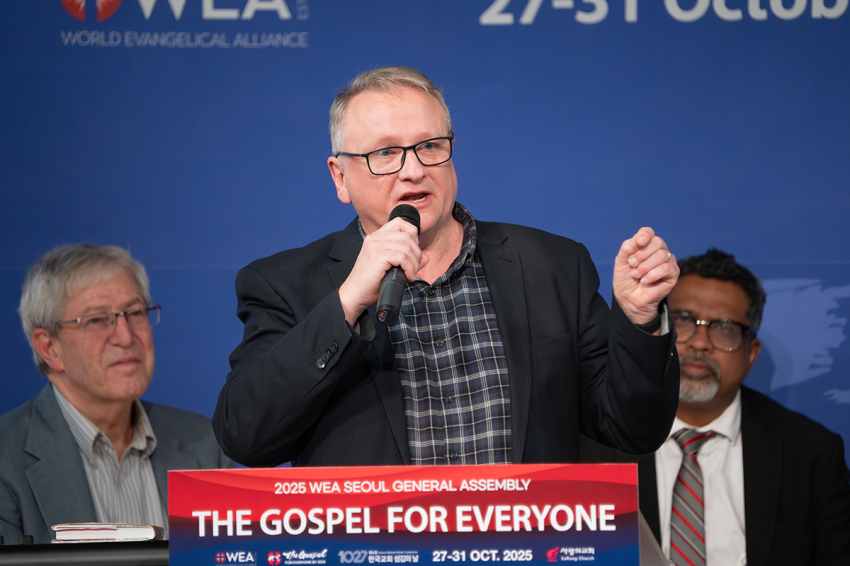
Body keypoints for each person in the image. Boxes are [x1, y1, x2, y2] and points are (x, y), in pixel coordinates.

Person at [213, 66, 681, 468]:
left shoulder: (551, 266)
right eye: (385, 154)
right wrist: (348, 301)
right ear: (340, 177)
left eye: (430, 146)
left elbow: (631, 429)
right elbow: (246, 436)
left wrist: (640, 323)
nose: (413, 170)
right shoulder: (284, 284)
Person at [581, 249, 850, 566]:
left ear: (751, 353)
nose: (700, 342)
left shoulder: (810, 452)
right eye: (683, 321)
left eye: (724, 327)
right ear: (660, 331)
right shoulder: (593, 443)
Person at [0, 244, 232, 544]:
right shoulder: (6, 459)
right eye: (96, 320)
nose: (125, 336)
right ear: (49, 348)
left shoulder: (205, 445)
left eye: (135, 312)